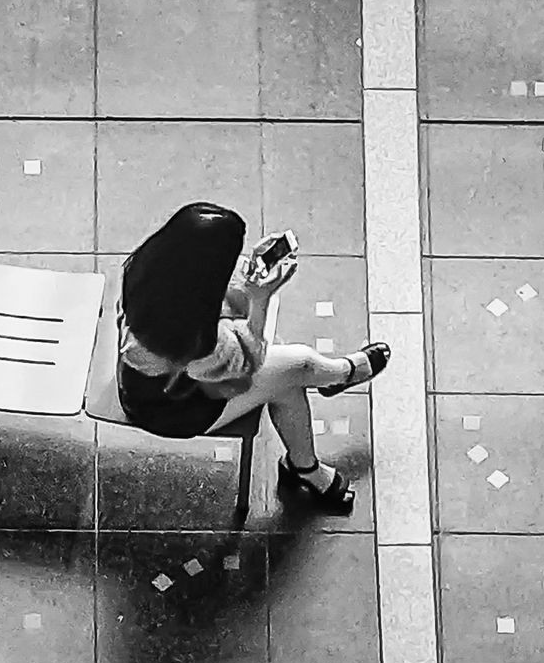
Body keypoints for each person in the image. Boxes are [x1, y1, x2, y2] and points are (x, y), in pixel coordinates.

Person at [116, 203, 390, 515]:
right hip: (174, 409)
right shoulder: (198, 343)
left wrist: (249, 276)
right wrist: (261, 299)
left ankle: (306, 465)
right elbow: (252, 356)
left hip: (146, 387)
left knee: (288, 382)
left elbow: (207, 296)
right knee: (298, 366)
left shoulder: (145, 273)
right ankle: (339, 376)